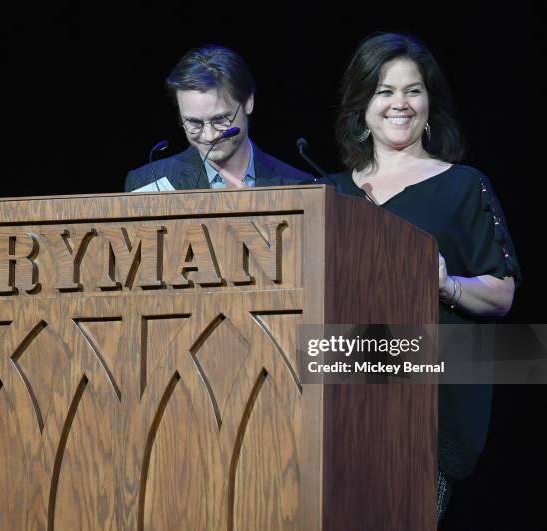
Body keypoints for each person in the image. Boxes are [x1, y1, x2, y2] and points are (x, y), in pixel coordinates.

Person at [331, 32, 521, 526]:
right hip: (335, 407)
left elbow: (501, 292)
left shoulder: (462, 186)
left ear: (430, 102)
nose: (400, 104)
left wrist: (444, 285)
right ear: (362, 104)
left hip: (423, 413)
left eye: (413, 90)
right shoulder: (324, 193)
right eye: (384, 91)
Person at [125, 45, 312, 192]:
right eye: (194, 123)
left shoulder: (299, 184)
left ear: (248, 102)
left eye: (220, 119)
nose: (209, 135)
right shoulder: (148, 182)